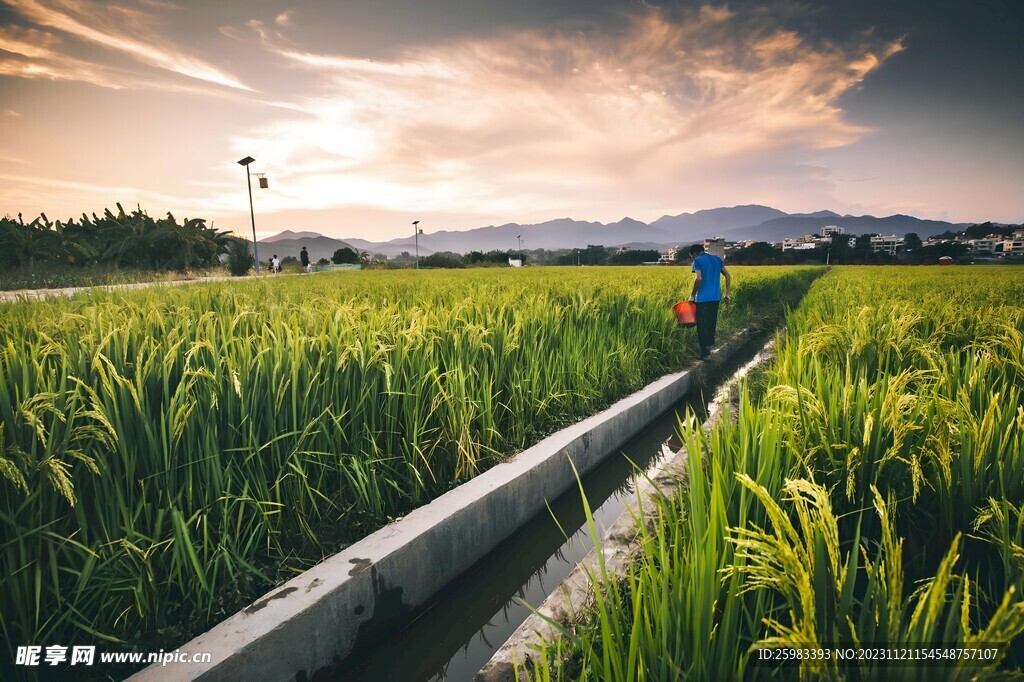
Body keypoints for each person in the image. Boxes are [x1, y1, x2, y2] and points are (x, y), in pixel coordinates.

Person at [688, 243, 731, 360]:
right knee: (711, 323)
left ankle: (705, 354)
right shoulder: (717, 259)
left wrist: (692, 295)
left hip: (703, 299)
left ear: (695, 253)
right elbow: (728, 275)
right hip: (716, 297)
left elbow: (699, 279)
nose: (692, 258)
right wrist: (727, 293)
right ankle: (708, 348)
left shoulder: (697, 261)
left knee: (702, 326)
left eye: (692, 256)